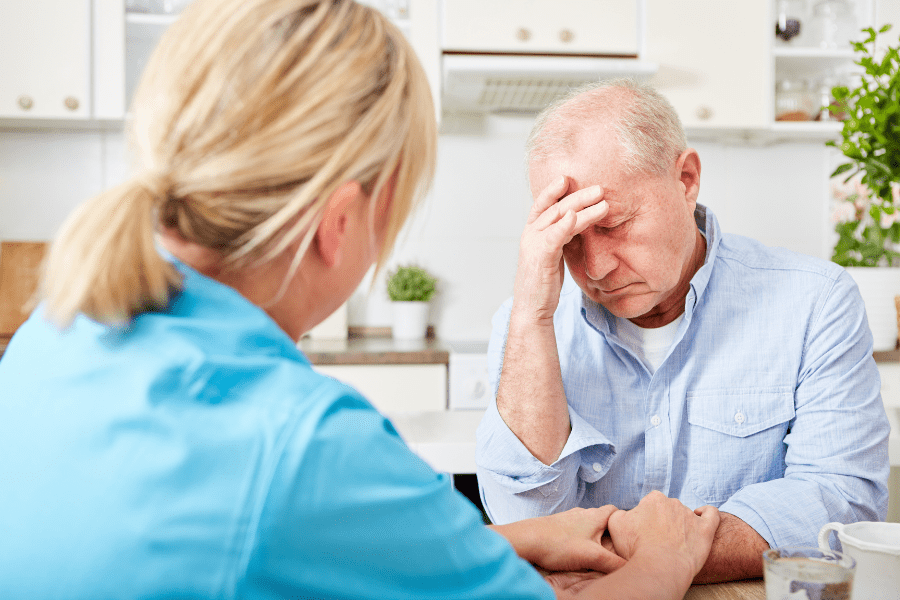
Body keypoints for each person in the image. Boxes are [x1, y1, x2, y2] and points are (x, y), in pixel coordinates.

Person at [0, 3, 721, 599]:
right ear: (339, 224)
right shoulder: (302, 442)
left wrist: (510, 540)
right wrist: (667, 557)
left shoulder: (54, 332)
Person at [475, 78, 892, 584]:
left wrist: (652, 559)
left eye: (611, 225)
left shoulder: (815, 302)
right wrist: (532, 318)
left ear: (687, 178)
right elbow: (522, 518)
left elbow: (841, 502)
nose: (596, 267)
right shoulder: (528, 325)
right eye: (568, 239)